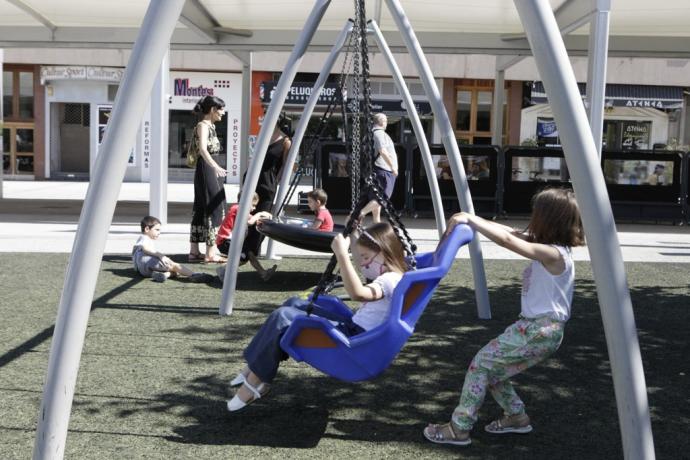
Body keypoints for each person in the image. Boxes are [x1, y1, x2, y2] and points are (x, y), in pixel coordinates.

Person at [424, 187, 585, 447]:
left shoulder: (555, 254)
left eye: (537, 213)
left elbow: (508, 242)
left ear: (548, 219)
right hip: (534, 329)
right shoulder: (548, 247)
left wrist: (471, 220)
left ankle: (459, 428)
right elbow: (511, 233)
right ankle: (517, 417)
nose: (532, 217)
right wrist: (469, 217)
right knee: (493, 372)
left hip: (539, 330)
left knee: (480, 365)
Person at [226, 222, 409, 412]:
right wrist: (354, 234)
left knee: (283, 317)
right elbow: (362, 266)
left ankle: (257, 379)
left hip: (355, 339)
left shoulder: (388, 280)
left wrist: (341, 255)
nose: (362, 263)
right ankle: (254, 367)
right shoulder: (396, 274)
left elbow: (358, 294)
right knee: (294, 303)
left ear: (384, 252)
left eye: (366, 257)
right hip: (353, 327)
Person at [241, 118, 292, 267]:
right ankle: (245, 250)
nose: (263, 122)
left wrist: (277, 181)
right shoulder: (261, 136)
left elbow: (286, 166)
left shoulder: (285, 142)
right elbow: (253, 158)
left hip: (268, 183)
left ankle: (252, 251)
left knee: (262, 218)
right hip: (252, 180)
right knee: (248, 216)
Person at [189, 95, 228, 264]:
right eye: (221, 109)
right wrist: (215, 166)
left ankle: (194, 251)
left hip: (207, 169)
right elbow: (203, 150)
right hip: (207, 169)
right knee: (213, 207)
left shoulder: (210, 125)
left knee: (201, 207)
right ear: (212, 110)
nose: (223, 113)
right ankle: (210, 253)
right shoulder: (203, 125)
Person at [215, 191, 277, 282]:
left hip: (231, 241)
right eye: (253, 205)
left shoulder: (240, 209)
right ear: (246, 202)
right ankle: (223, 270)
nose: (254, 208)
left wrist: (265, 219)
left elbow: (254, 220)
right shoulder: (237, 208)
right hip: (225, 241)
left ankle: (263, 273)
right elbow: (250, 222)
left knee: (249, 255)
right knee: (245, 257)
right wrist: (260, 213)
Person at [133, 216, 210, 283]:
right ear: (147, 229)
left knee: (176, 271)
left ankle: (165, 275)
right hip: (146, 262)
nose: (159, 233)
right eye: (157, 230)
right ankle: (194, 275)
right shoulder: (144, 238)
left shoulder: (140, 240)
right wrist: (161, 255)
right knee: (174, 265)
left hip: (143, 271)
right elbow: (145, 248)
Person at [359, 113, 398, 223]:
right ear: (382, 122)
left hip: (374, 169)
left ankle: (377, 224)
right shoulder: (379, 134)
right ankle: (361, 213)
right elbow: (383, 151)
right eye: (386, 121)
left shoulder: (368, 134)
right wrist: (393, 167)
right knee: (383, 198)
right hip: (383, 170)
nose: (386, 123)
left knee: (376, 199)